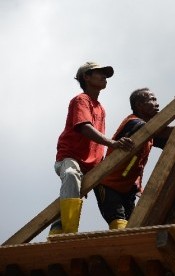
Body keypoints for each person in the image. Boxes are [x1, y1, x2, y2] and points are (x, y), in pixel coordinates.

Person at [50, 61, 134, 236]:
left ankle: (120, 228)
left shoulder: (100, 108)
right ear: (86, 77)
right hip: (71, 158)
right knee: (72, 175)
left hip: (93, 166)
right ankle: (67, 232)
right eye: (99, 73)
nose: (104, 76)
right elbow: (84, 128)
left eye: (105, 73)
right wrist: (112, 143)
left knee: (108, 190)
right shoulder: (81, 100)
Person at [93, 88, 172, 230]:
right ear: (139, 105)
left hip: (127, 188)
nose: (157, 104)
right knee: (119, 223)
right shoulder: (133, 123)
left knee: (133, 227)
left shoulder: (149, 134)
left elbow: (171, 139)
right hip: (108, 184)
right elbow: (162, 131)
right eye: (152, 100)